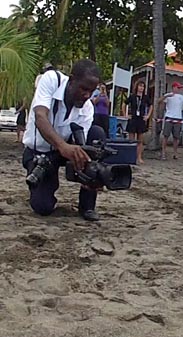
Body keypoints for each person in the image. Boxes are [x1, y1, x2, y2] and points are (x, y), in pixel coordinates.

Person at [22, 59, 105, 221]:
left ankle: (87, 204)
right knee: (43, 207)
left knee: (97, 134)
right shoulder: (52, 79)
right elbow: (40, 116)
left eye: (92, 91)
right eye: (84, 89)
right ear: (72, 79)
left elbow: (81, 142)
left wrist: (90, 169)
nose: (87, 95)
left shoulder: (87, 108)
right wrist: (63, 146)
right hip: (39, 152)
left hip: (64, 151)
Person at [158, 81, 183, 160]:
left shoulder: (181, 96)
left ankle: (175, 153)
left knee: (176, 137)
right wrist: (167, 96)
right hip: (169, 117)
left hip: (178, 117)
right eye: (177, 87)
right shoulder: (168, 95)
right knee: (166, 136)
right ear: (173, 87)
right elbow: (159, 101)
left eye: (179, 88)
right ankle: (163, 152)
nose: (178, 89)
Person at [125, 81, 151, 165]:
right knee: (131, 140)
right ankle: (130, 156)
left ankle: (139, 157)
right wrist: (125, 114)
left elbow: (151, 105)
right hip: (133, 118)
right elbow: (124, 103)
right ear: (137, 87)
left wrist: (148, 116)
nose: (141, 88)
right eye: (140, 86)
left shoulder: (145, 97)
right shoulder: (132, 96)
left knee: (140, 140)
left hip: (141, 119)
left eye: (143, 86)